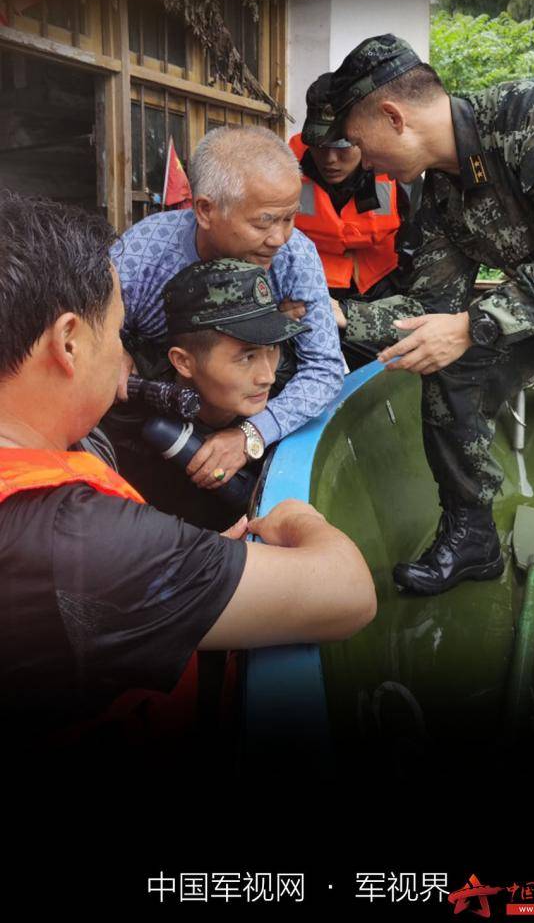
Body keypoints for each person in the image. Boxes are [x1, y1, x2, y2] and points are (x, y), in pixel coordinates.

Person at [0, 191, 376, 746]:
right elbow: (348, 594)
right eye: (118, 331)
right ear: (70, 343)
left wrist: (186, 566)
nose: (124, 356)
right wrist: (294, 515)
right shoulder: (77, 539)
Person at [322, 33, 534, 596]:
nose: (360, 160)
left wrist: (476, 325)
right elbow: (433, 309)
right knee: (448, 363)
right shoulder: (440, 196)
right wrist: (345, 317)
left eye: (358, 141)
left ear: (393, 115)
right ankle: (473, 536)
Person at [112, 125, 345, 490]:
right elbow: (84, 326)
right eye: (264, 222)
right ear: (205, 210)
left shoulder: (295, 256)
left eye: (290, 218)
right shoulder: (144, 253)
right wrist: (113, 348)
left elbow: (324, 368)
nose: (280, 238)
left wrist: (252, 434)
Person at [119, 257, 310, 531]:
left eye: (273, 350)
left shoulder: (292, 386)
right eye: (247, 357)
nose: (267, 376)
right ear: (183, 362)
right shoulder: (131, 409)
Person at [290, 72, 412, 304]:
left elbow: (417, 243)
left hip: (381, 282)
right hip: (308, 283)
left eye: (342, 146)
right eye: (319, 146)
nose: (330, 159)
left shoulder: (399, 170)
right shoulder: (282, 166)